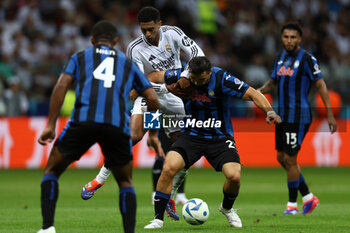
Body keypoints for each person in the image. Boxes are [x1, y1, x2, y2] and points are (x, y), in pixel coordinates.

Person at [81, 6, 205, 220]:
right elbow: (140, 84)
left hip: (174, 98)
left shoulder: (173, 33)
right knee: (135, 135)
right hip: (150, 95)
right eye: (143, 30)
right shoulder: (135, 48)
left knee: (183, 149)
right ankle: (99, 180)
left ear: (159, 24)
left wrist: (180, 75)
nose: (147, 34)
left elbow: (198, 53)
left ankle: (170, 195)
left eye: (150, 29)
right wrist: (168, 82)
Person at [36, 20, 160, 233]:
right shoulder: (126, 63)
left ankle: (48, 228)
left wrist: (50, 124)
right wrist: (154, 133)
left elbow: (62, 85)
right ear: (115, 41)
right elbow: (152, 98)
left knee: (52, 171)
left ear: (92, 41)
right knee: (125, 182)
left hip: (82, 122)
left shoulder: (80, 57)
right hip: (116, 126)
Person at [144, 56, 281, 229]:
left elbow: (253, 93)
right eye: (193, 79)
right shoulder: (182, 76)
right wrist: (145, 85)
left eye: (201, 80)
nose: (196, 83)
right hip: (191, 134)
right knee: (168, 168)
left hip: (219, 137)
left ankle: (227, 209)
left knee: (234, 176)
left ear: (209, 73)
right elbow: (153, 76)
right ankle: (158, 219)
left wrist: (269, 112)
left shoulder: (222, 78)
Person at [258, 22, 337, 215]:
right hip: (281, 116)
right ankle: (309, 197)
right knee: (281, 157)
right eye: (286, 37)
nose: (289, 40)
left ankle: (292, 205)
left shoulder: (307, 59)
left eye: (293, 37)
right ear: (281, 38)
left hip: (299, 115)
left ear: (300, 39)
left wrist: (329, 113)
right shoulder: (279, 58)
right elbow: (273, 82)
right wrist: (256, 92)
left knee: (291, 159)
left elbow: (321, 85)